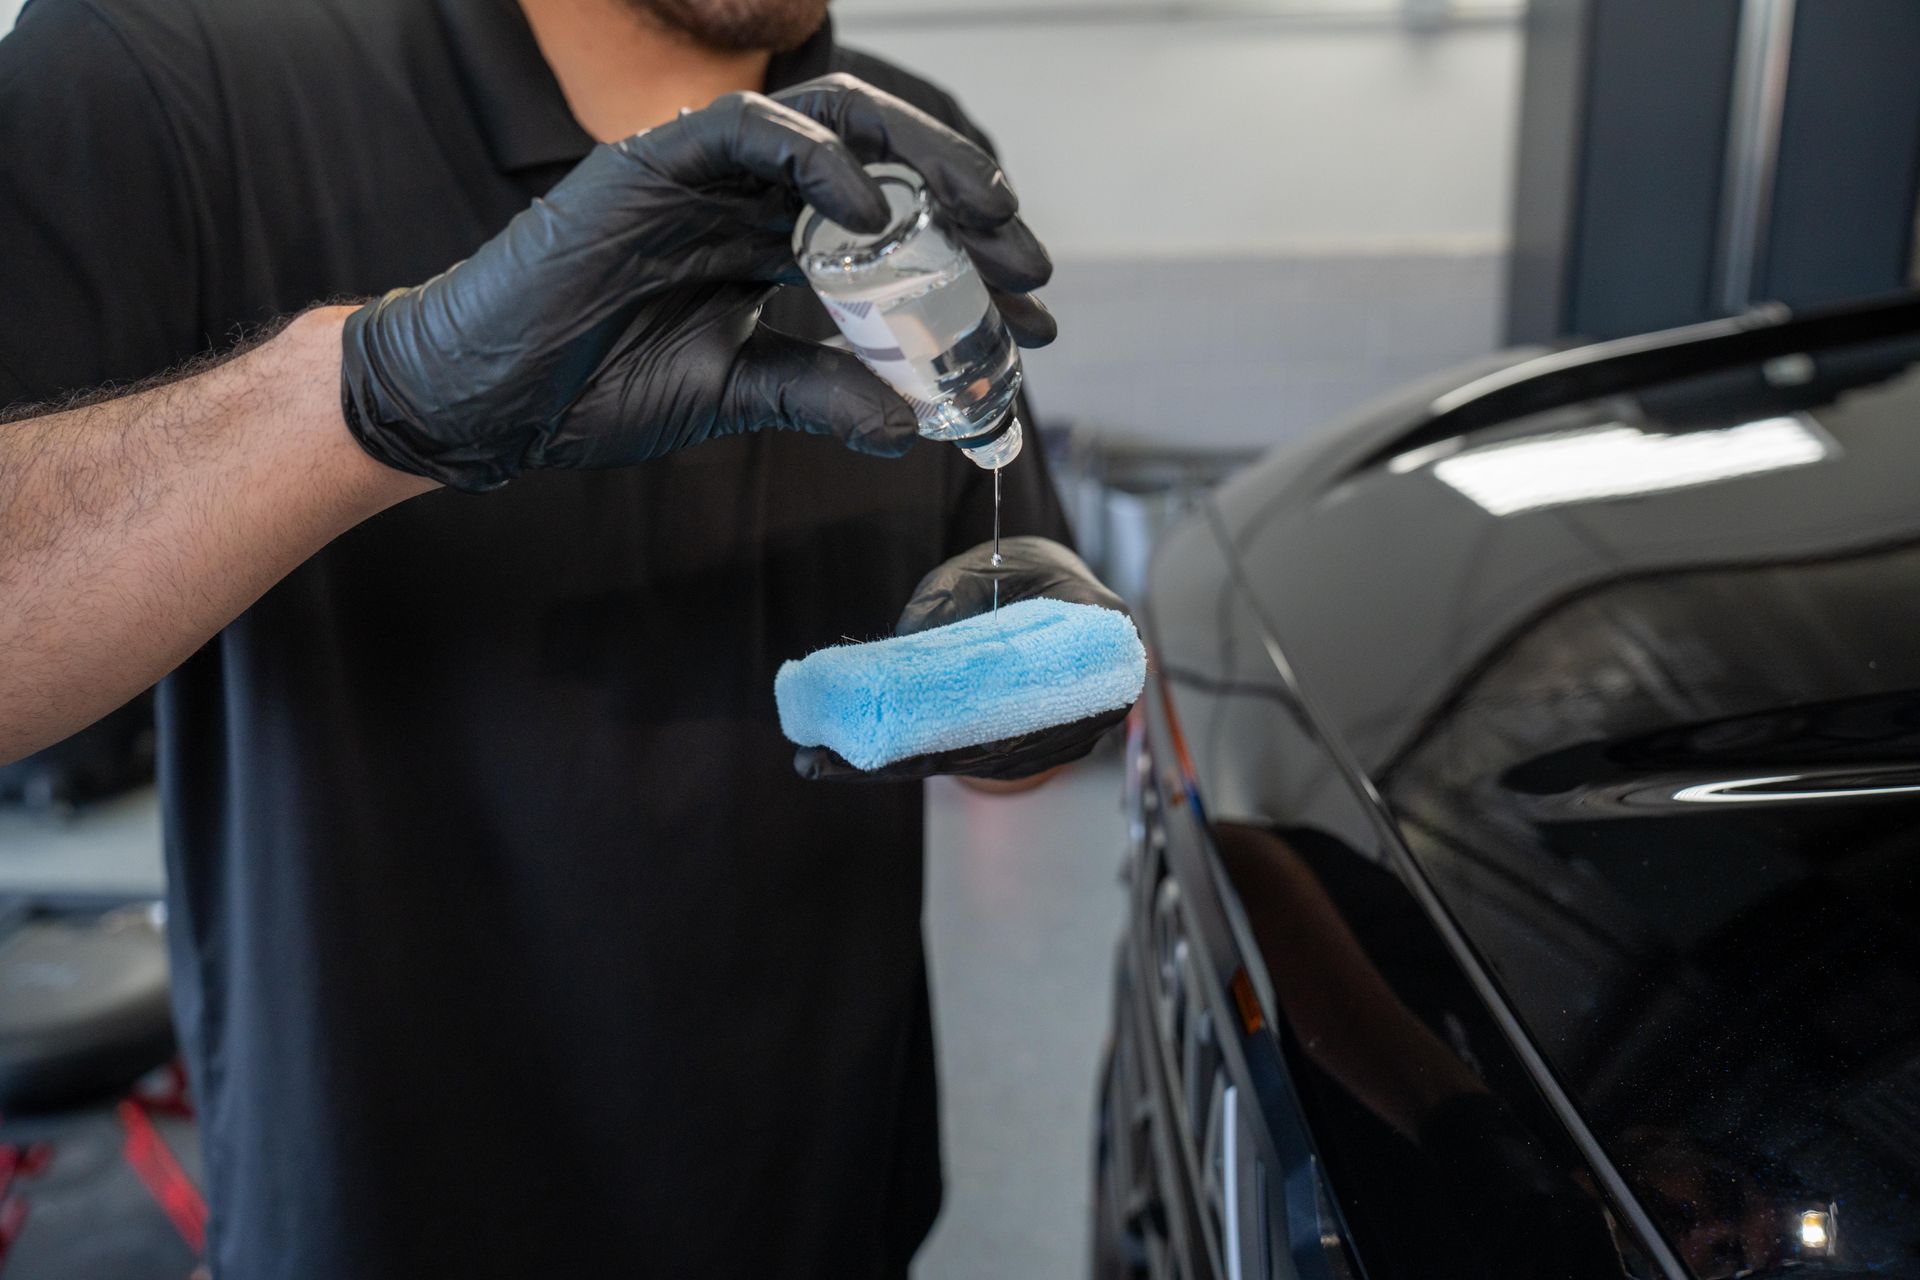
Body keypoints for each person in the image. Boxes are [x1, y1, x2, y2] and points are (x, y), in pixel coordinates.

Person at [0, 2, 1130, 1275]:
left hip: (817, 1197)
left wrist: (1049, 689)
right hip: (385, 1210)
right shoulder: (173, 60)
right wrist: (365, 402)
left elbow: (1003, 724)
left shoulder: (899, 158)